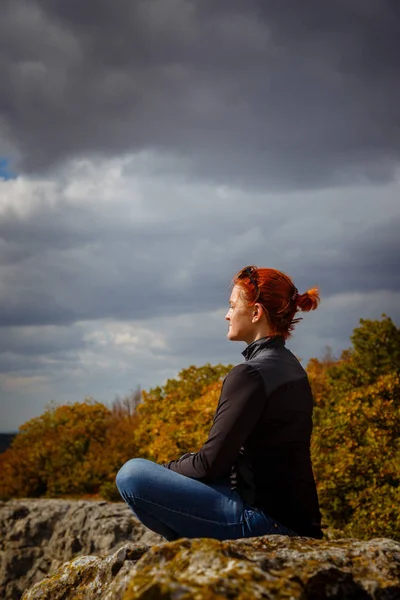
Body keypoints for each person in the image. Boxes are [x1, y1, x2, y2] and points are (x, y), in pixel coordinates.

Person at [116, 266, 323, 541]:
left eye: (232, 306)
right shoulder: (292, 366)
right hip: (298, 518)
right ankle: (191, 551)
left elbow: (208, 465)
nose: (227, 315)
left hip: (267, 521)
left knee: (133, 475)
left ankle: (191, 551)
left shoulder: (250, 374)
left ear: (256, 312)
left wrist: (163, 471)